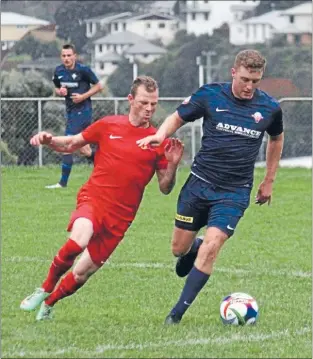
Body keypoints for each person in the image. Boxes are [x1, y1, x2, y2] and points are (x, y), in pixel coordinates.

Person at [137, 49, 284, 325]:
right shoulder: (210, 95)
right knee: (179, 250)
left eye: (255, 81)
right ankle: (193, 248)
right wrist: (160, 134)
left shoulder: (270, 108)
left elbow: (276, 139)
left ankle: (175, 315)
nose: (249, 87)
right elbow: (178, 117)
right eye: (244, 79)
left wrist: (269, 180)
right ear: (233, 72)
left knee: (212, 247)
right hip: (199, 186)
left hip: (234, 192)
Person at [20, 76, 184, 321]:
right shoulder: (109, 125)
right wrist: (50, 140)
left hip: (121, 217)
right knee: (79, 239)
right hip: (94, 199)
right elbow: (73, 143)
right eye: (143, 102)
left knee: (83, 273)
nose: (149, 109)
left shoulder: (157, 142)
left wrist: (172, 166)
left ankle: (50, 304)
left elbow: (165, 188)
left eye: (154, 104)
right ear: (130, 100)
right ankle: (44, 288)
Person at [46, 43, 103, 189]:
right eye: (64, 56)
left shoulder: (83, 70)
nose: (66, 58)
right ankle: (106, 166)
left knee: (67, 143)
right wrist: (60, 92)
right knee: (85, 150)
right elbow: (57, 87)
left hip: (83, 111)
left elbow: (99, 86)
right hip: (71, 111)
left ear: (74, 56)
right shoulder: (58, 71)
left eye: (69, 55)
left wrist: (83, 96)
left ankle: (62, 183)